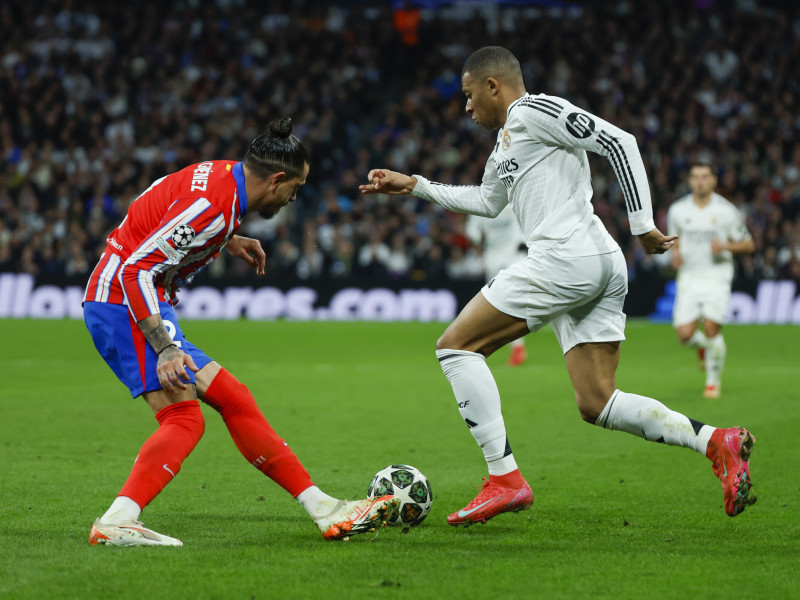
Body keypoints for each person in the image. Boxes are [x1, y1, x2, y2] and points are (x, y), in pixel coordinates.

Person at [359, 46, 757, 525]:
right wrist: (415, 185)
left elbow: (619, 142)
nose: (466, 108)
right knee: (598, 401)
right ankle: (717, 441)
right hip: (594, 263)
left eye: (469, 96)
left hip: (567, 256)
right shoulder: (507, 141)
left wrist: (641, 223)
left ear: (493, 86)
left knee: (455, 348)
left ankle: (504, 478)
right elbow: (487, 202)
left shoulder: (534, 110)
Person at [83, 119, 399, 546]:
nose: (294, 198)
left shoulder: (225, 181)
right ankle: (117, 520)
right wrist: (164, 349)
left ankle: (323, 508)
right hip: (124, 303)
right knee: (184, 418)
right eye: (296, 188)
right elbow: (136, 268)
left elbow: (166, 205)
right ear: (277, 179)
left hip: (136, 300)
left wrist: (228, 238)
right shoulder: (211, 208)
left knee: (234, 398)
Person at [667, 163, 755, 398]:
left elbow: (749, 244)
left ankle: (712, 383)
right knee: (684, 335)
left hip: (717, 275)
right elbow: (675, 240)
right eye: (695, 177)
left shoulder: (726, 211)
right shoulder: (677, 210)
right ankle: (704, 349)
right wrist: (674, 253)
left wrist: (725, 245)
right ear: (690, 181)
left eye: (705, 177)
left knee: (711, 328)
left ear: (714, 181)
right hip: (689, 275)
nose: (700, 181)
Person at [465, 206, 528, 366]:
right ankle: (513, 345)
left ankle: (517, 346)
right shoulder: (481, 205)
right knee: (497, 301)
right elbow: (471, 229)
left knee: (514, 298)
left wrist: (522, 239)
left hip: (514, 254)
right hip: (493, 256)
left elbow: (524, 220)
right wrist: (478, 236)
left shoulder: (512, 203)